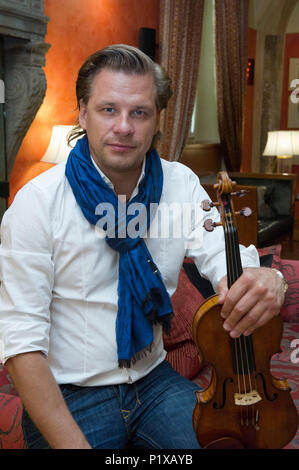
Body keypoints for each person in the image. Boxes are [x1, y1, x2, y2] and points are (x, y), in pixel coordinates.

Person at [0, 45, 286, 450]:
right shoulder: (36, 204)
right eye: (108, 110)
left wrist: (267, 278)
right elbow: (21, 344)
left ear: (156, 122)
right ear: (82, 113)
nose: (123, 127)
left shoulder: (179, 184)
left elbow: (226, 258)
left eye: (139, 112)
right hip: (71, 393)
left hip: (154, 381)